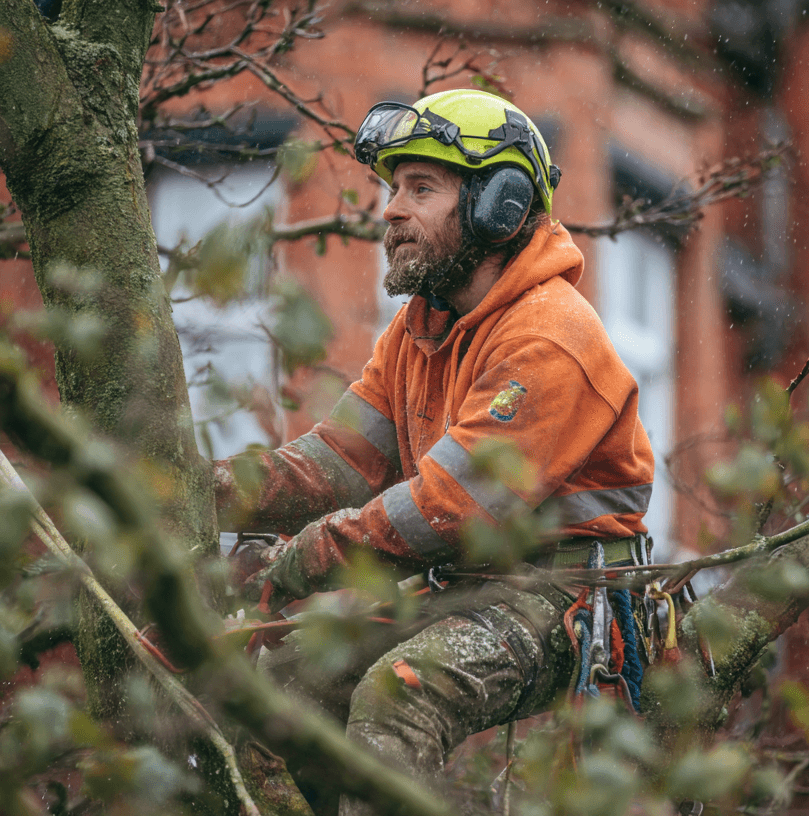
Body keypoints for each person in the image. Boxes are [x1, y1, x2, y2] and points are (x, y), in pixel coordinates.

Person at [215, 88, 655, 815]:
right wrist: (202, 488)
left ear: (499, 207)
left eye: (421, 188)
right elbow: (338, 463)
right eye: (393, 189)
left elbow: (449, 509)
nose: (391, 210)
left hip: (558, 596)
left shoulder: (549, 336)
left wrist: (302, 557)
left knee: (399, 696)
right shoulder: (420, 329)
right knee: (290, 680)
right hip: (465, 584)